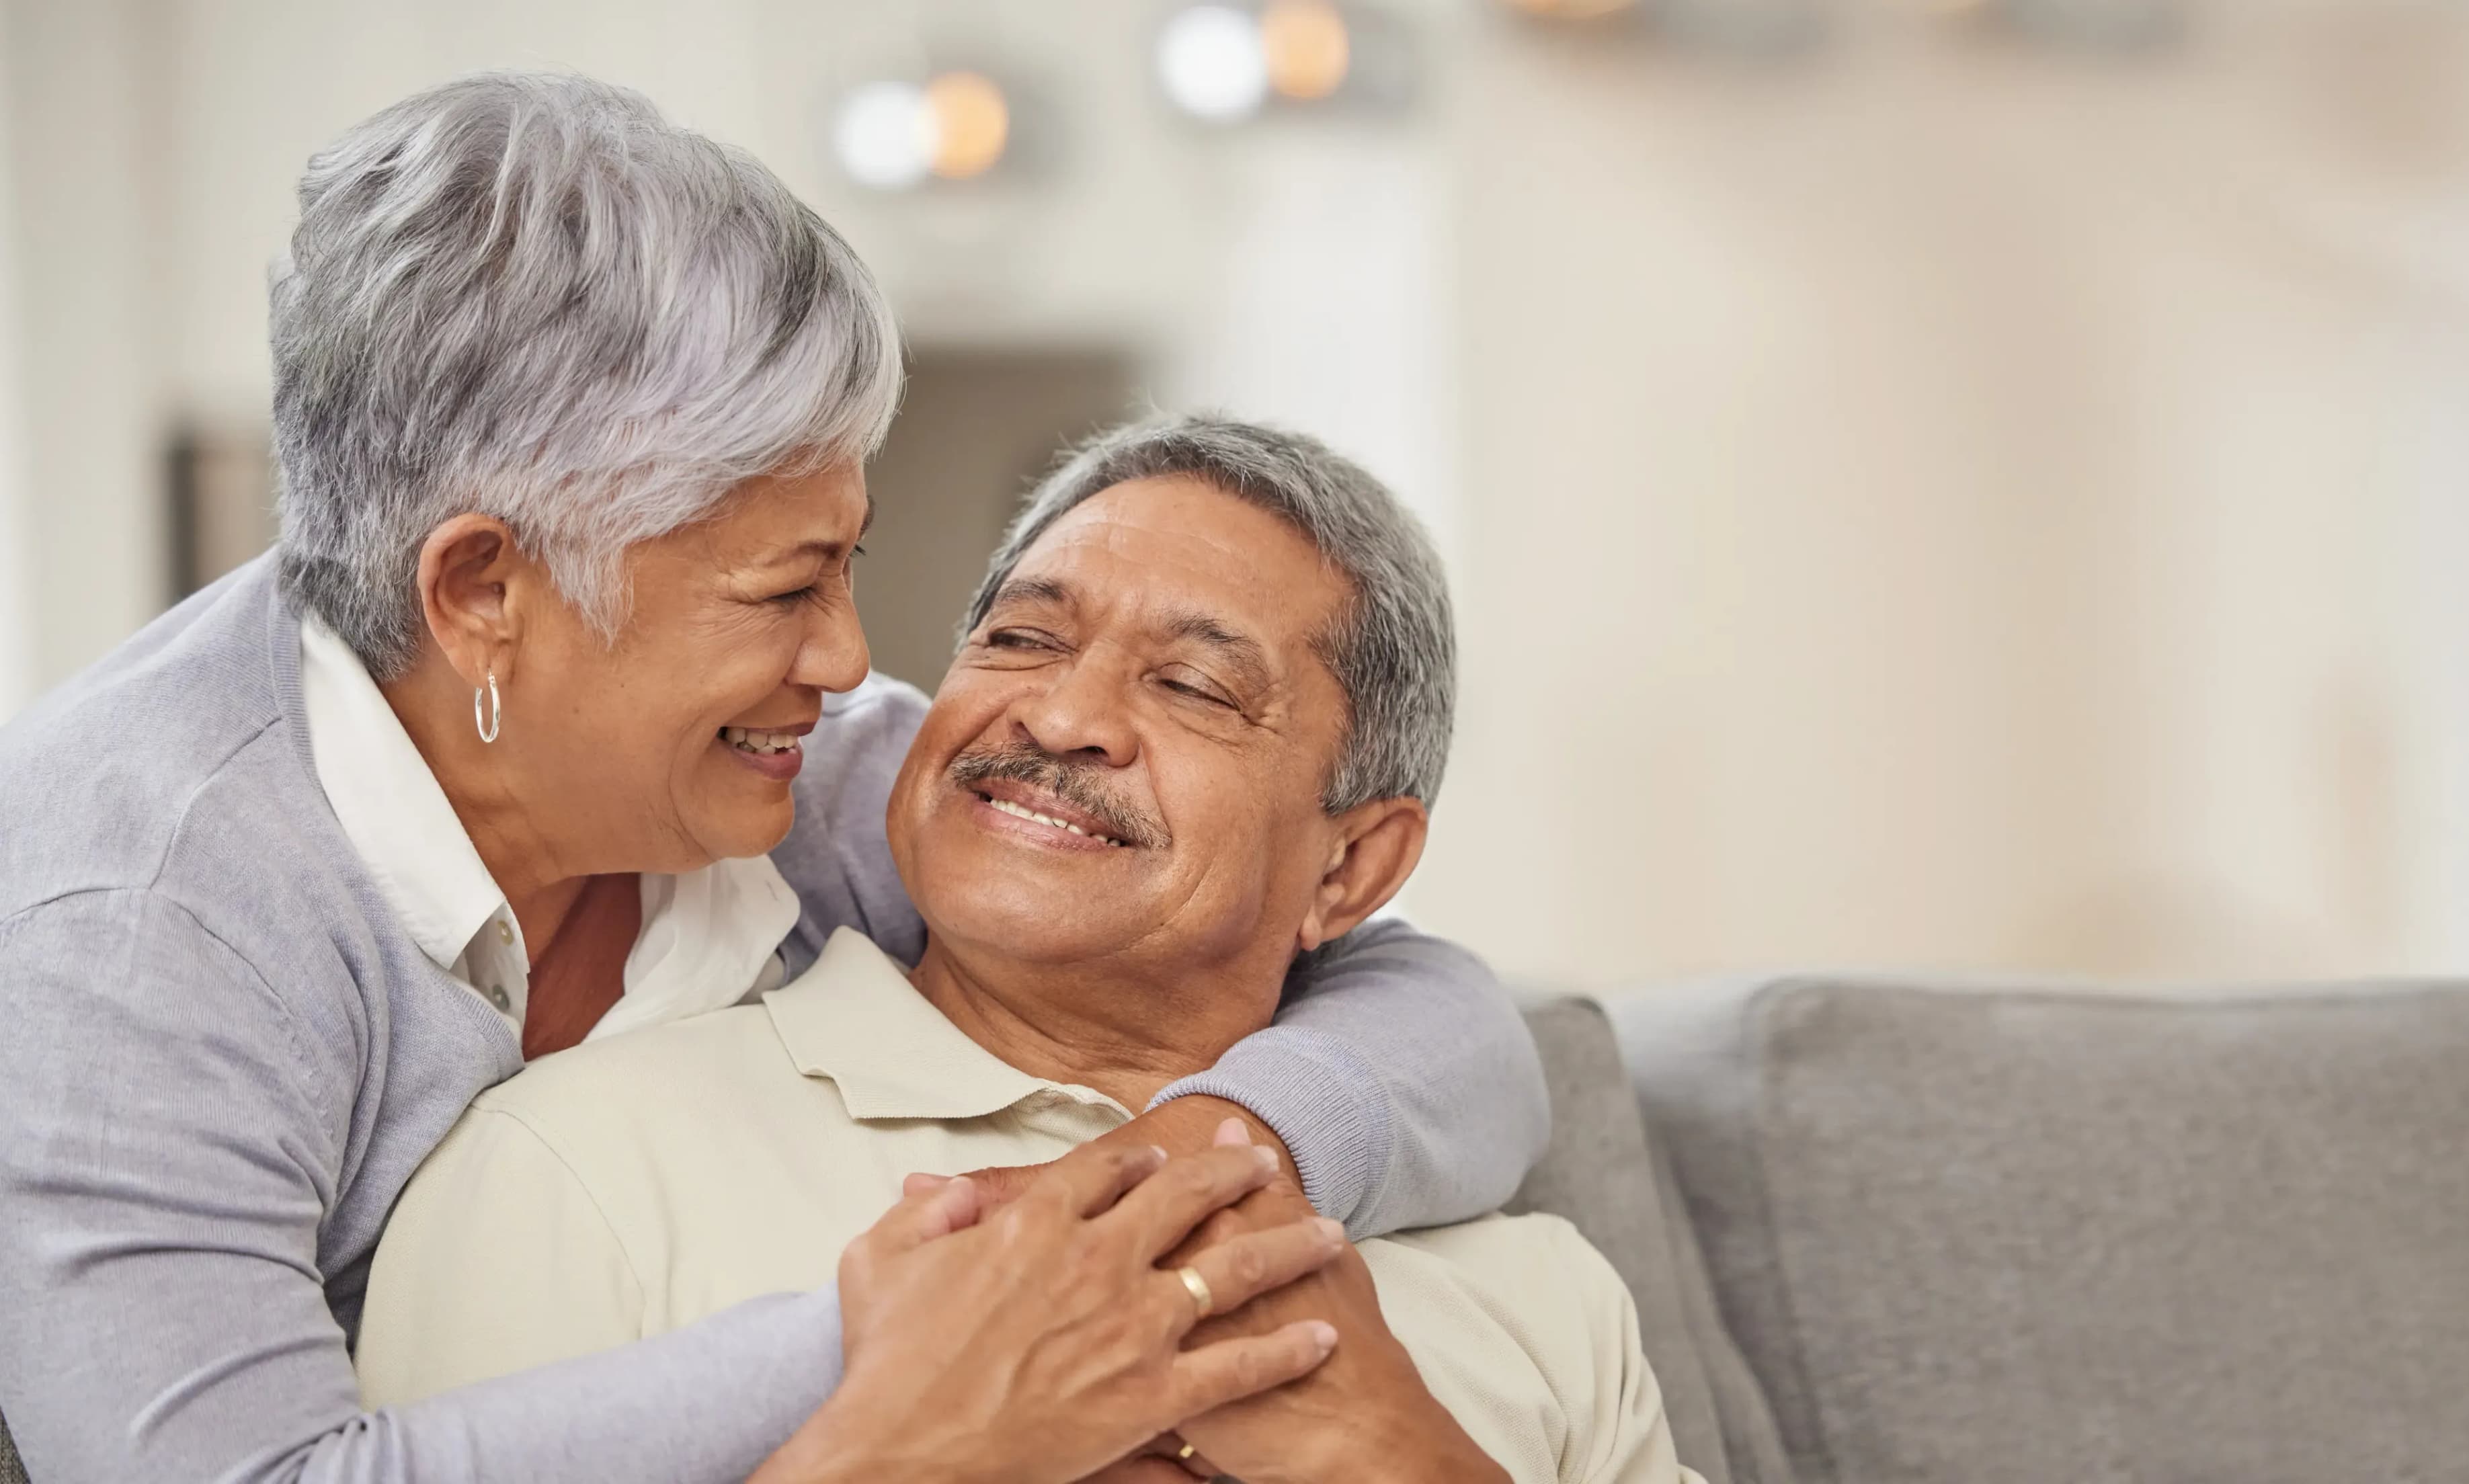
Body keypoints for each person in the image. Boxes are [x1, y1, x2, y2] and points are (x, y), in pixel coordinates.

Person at [0, 76, 1550, 1484]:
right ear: (481, 587)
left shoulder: (798, 781)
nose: (847, 658)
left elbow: (1433, 1007)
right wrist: (960, 1332)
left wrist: (1196, 1175)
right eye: (783, 589)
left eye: (849, 564)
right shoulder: (127, 929)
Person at [355, 417, 1697, 1484]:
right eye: (1020, 637)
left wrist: (1405, 1464)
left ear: (1351, 867)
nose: (1060, 714)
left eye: (1191, 686)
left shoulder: (1539, 1293)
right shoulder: (581, 1166)